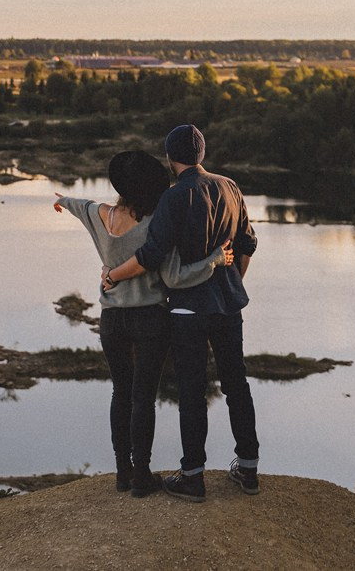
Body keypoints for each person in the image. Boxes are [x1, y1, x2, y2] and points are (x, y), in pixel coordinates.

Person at [53, 149, 232, 498]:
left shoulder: (99, 215)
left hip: (111, 320)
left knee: (121, 392)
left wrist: (63, 201)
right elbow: (177, 276)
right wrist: (215, 260)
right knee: (142, 398)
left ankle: (123, 471)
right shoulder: (156, 225)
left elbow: (81, 205)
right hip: (150, 318)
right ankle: (140, 476)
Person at [102, 124, 259, 503]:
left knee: (192, 391)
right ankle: (249, 469)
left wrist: (112, 276)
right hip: (228, 304)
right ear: (201, 154)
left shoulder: (173, 198)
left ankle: (193, 476)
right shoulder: (230, 187)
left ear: (171, 159)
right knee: (236, 383)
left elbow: (152, 256)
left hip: (188, 309)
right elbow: (247, 243)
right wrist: (231, 281)